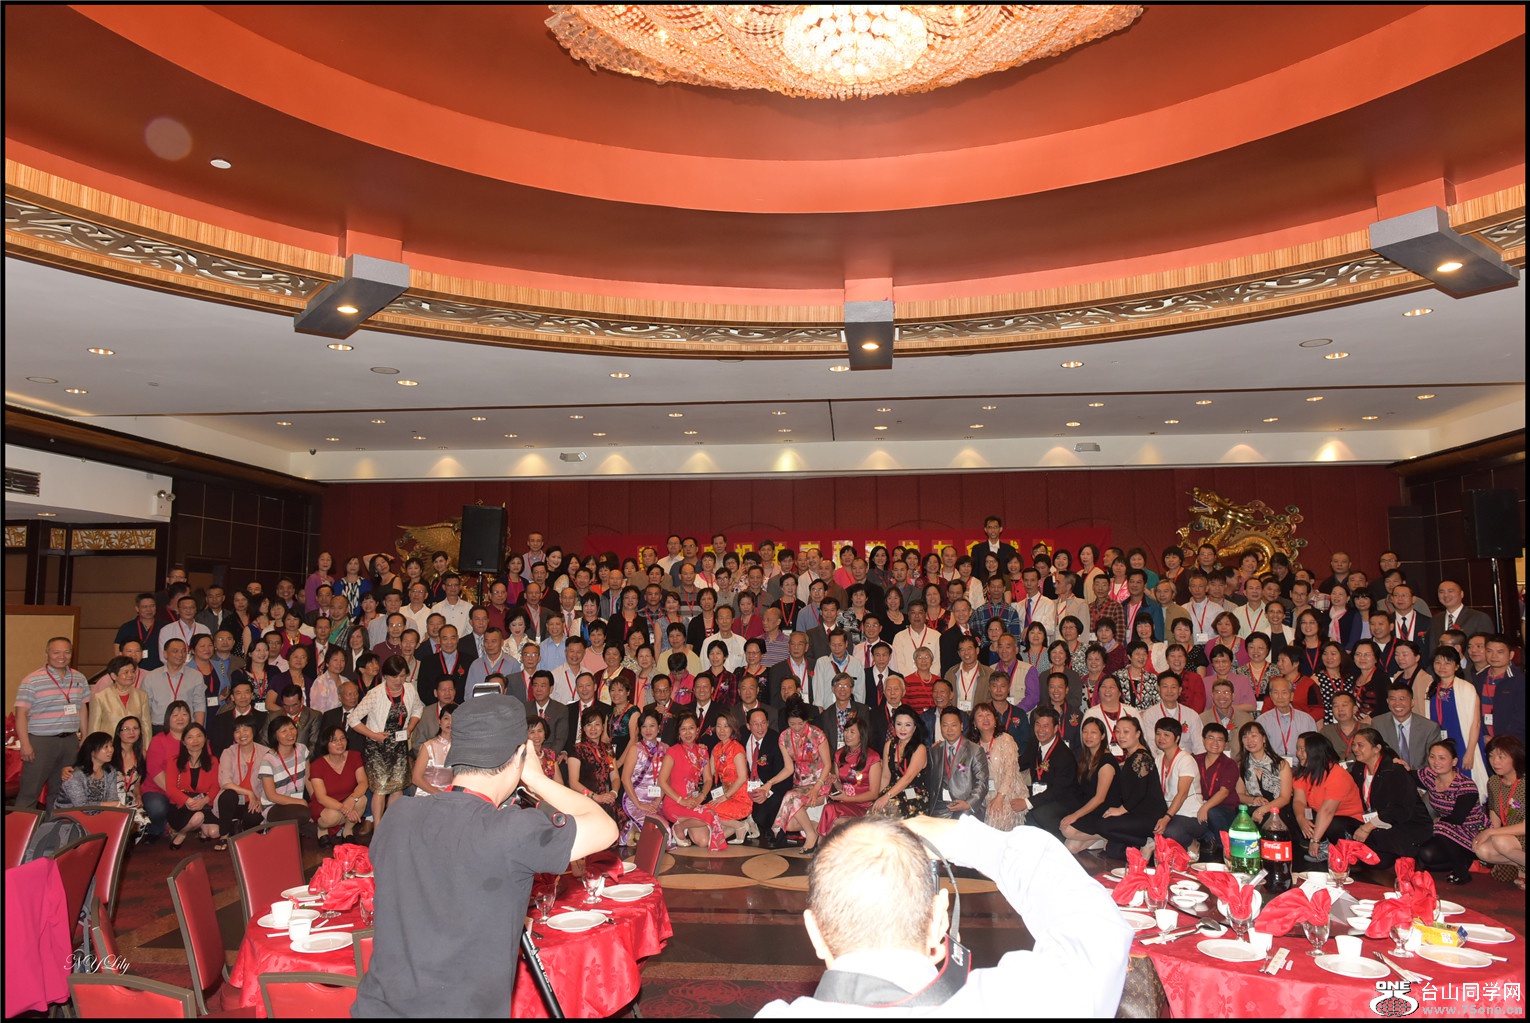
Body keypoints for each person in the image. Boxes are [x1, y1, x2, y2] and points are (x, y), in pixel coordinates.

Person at [354, 695, 616, 1017]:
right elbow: (605, 828)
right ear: (520, 756)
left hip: (377, 1008)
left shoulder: (398, 815)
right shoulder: (510, 830)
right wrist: (536, 779)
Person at [1064, 717, 1165, 858]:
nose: (1121, 736)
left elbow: (1140, 792)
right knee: (1104, 848)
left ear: (1138, 734)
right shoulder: (1131, 756)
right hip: (1134, 812)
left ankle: (1146, 842)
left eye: (1126, 732)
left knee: (1102, 825)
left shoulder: (1141, 757)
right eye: (1118, 731)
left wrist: (1121, 810)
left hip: (1148, 815)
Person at [14, 637, 93, 812]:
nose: (61, 657)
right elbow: (21, 714)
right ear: (47, 653)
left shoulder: (79, 678)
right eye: (56, 652)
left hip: (69, 741)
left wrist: (85, 736)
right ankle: (21, 827)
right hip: (41, 742)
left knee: (61, 791)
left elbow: (82, 709)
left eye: (66, 652)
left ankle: (55, 826)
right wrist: (25, 744)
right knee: (30, 792)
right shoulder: (32, 680)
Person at [348, 654, 423, 829]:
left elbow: (418, 708)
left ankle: (391, 825)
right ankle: (378, 827)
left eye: (402, 676)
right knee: (381, 788)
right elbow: (353, 720)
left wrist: (410, 728)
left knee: (397, 787)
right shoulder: (375, 694)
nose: (398, 680)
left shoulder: (409, 689)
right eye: (394, 676)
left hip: (399, 745)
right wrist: (373, 735)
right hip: (377, 747)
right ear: (385, 676)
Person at [1346, 727, 1434, 868]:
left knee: (1373, 854)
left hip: (1405, 824)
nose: (1355, 749)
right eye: (1354, 745)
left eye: (1360, 745)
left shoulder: (1394, 771)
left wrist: (1368, 827)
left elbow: (1400, 809)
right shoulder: (1359, 769)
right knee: (1343, 826)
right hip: (1379, 823)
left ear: (1377, 748)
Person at [1413, 738, 1488, 885]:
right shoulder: (1430, 776)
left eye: (1442, 758)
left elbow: (1457, 819)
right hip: (1446, 833)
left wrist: (1437, 822)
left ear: (1454, 762)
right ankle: (1465, 860)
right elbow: (1408, 774)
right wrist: (1398, 764)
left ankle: (1462, 872)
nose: (1436, 762)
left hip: (1473, 831)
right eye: (1432, 757)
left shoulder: (1465, 786)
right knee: (1425, 855)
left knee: (1439, 828)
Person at [766, 699, 835, 853]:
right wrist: (770, 783)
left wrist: (816, 788)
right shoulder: (784, 737)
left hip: (820, 783)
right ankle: (815, 827)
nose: (797, 728)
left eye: (800, 723)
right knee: (790, 824)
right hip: (800, 785)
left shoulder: (817, 734)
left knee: (791, 796)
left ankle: (808, 834)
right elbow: (788, 768)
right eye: (792, 724)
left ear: (806, 720)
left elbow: (828, 765)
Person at [1291, 730, 1364, 868]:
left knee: (1332, 824)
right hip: (1321, 814)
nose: (1298, 753)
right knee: (1295, 814)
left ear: (1315, 752)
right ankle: (1323, 844)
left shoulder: (1336, 775)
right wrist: (1301, 819)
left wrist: (1315, 840)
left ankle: (1337, 849)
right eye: (1298, 748)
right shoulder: (1303, 772)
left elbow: (1328, 811)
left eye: (1302, 749)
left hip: (1348, 821)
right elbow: (1299, 801)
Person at [660, 710, 729, 851]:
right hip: (675, 803)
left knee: (703, 841)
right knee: (710, 814)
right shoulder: (673, 751)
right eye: (683, 729)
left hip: (693, 802)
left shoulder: (702, 751)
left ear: (697, 730)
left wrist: (701, 797)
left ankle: (681, 826)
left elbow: (708, 779)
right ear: (678, 732)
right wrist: (681, 800)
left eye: (691, 728)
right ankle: (681, 826)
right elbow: (661, 781)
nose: (688, 733)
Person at [1425, 646, 1488, 797]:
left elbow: (1476, 723)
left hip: (1463, 742)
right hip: (1441, 741)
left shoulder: (1466, 688)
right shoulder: (1431, 688)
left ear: (1457, 666)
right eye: (1438, 662)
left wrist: (1470, 752)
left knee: (1465, 780)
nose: (1442, 667)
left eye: (1447, 663)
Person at [1473, 736, 1526, 889]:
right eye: (1491, 756)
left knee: (1500, 841)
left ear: (1515, 757)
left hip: (1519, 834)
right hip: (1512, 836)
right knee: (1481, 848)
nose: (1495, 761)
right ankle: (1522, 866)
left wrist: (1491, 833)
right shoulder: (1494, 782)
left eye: (1501, 757)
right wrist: (1492, 832)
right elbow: (1494, 810)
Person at [1059, 718, 1116, 852]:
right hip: (1091, 809)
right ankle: (1101, 837)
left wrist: (1075, 815)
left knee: (1067, 830)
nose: (1088, 736)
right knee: (1070, 848)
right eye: (1085, 732)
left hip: (1104, 811)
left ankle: (1107, 834)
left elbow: (1100, 798)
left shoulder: (1107, 761)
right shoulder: (1085, 757)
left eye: (1093, 732)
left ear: (1102, 736)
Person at [970, 703, 1027, 831]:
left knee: (993, 821)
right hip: (984, 796)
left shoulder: (1005, 740)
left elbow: (1010, 772)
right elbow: (962, 766)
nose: (985, 718)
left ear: (995, 719)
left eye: (988, 715)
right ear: (974, 723)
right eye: (980, 715)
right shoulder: (973, 745)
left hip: (1009, 795)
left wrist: (999, 797)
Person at [309, 724, 368, 842]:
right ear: (326, 744)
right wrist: (344, 808)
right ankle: (322, 829)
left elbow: (363, 783)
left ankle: (347, 830)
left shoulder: (354, 756)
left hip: (347, 798)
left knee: (362, 800)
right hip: (325, 804)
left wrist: (352, 799)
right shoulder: (317, 765)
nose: (340, 743)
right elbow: (321, 798)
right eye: (334, 740)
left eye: (342, 739)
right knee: (333, 816)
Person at [165, 723, 220, 849]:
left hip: (204, 803)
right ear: (184, 742)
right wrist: (188, 801)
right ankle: (182, 833)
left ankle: (201, 829)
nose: (195, 740)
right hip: (181, 805)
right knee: (197, 817)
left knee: (214, 832)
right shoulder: (174, 761)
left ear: (205, 739)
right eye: (190, 737)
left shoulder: (213, 761)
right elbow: (171, 788)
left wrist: (205, 800)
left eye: (199, 736)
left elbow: (216, 786)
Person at [215, 717, 269, 847]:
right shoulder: (228, 752)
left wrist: (262, 800)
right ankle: (224, 835)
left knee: (254, 817)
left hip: (254, 802)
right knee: (228, 795)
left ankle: (242, 830)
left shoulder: (266, 753)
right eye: (237, 731)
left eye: (245, 729)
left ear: (253, 731)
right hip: (233, 802)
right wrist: (248, 792)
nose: (241, 734)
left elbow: (270, 783)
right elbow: (225, 782)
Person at [1236, 720, 1295, 833]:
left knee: (1268, 819)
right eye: (1245, 737)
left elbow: (1285, 798)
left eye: (1253, 736)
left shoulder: (1281, 764)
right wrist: (1253, 799)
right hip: (1253, 807)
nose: (1249, 740)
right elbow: (1239, 795)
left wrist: (1262, 810)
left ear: (1264, 739)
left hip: (1278, 809)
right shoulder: (1241, 765)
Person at [704, 712, 754, 843]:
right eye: (718, 726)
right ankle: (740, 828)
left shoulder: (737, 749)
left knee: (707, 811)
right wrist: (700, 754)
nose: (721, 730)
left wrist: (725, 796)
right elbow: (710, 772)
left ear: (732, 728)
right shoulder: (716, 748)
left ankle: (740, 825)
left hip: (740, 798)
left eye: (726, 726)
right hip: (726, 795)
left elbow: (742, 777)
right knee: (712, 842)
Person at [872, 707, 930, 820]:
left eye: (908, 725)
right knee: (873, 813)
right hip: (892, 792)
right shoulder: (889, 745)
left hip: (913, 795)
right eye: (899, 724)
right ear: (893, 726)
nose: (902, 729)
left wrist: (886, 796)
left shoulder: (920, 748)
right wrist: (878, 797)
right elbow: (885, 776)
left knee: (886, 813)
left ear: (914, 727)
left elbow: (908, 778)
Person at [1192, 722, 1239, 861]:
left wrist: (1206, 807)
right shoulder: (1195, 760)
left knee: (1212, 813)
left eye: (1220, 740)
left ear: (1225, 743)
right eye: (1211, 738)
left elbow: (1224, 792)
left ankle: (1223, 847)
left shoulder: (1230, 764)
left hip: (1223, 809)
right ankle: (1208, 837)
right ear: (1203, 740)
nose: (1215, 743)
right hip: (1199, 804)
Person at [1373, 680, 1442, 772]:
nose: (1397, 703)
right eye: (1392, 699)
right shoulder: (1378, 724)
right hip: (1389, 776)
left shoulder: (1429, 728)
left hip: (1420, 777)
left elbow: (1433, 762)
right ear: (1387, 702)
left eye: (1402, 699)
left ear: (1412, 702)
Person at [568, 704, 619, 820]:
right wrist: (595, 797)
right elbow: (573, 783)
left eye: (597, 724)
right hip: (585, 800)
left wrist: (613, 793)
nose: (593, 729)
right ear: (583, 728)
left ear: (603, 727)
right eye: (589, 725)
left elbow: (615, 776)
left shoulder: (608, 749)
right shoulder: (577, 749)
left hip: (606, 799)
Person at [259, 715, 312, 826]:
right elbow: (271, 796)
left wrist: (315, 800)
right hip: (274, 806)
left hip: (297, 804)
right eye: (284, 731)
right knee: (304, 813)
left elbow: (308, 779)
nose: (290, 733)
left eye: (292, 728)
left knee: (314, 820)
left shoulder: (302, 749)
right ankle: (270, 827)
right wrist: (301, 802)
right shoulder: (268, 760)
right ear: (275, 736)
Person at [1255, 676, 1317, 763]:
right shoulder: (1262, 721)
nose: (1280, 697)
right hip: (1272, 766)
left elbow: (1314, 748)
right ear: (1271, 696)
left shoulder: (1307, 720)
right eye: (1276, 693)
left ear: (1291, 695)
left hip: (1300, 765)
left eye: (1284, 693)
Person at [88, 655, 153, 739]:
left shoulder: (142, 696)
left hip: (134, 744)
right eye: (126, 672)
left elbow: (146, 728)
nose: (131, 675)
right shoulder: (100, 698)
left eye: (133, 671)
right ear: (114, 676)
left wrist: (146, 746)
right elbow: (94, 730)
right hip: (110, 744)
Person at [57, 731, 125, 810]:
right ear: (92, 751)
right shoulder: (75, 775)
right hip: (70, 815)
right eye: (106, 747)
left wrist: (114, 805)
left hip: (100, 814)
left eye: (111, 745)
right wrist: (113, 804)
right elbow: (81, 806)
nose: (110, 750)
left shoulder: (109, 771)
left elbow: (112, 798)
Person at [412, 702, 456, 797]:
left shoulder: (461, 747)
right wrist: (440, 795)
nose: (450, 722)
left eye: (454, 719)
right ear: (439, 721)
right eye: (446, 718)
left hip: (451, 796)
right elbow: (416, 779)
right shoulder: (428, 746)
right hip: (428, 795)